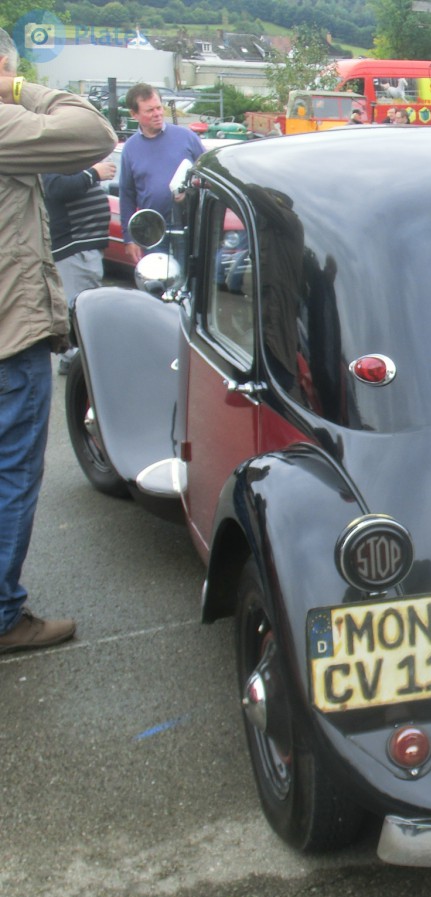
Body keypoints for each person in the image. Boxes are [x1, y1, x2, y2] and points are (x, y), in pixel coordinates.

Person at [0, 27, 117, 654]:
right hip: (6, 336)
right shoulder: (3, 121)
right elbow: (92, 131)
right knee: (13, 471)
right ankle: (2, 616)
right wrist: (17, 88)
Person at [41, 156, 117, 373]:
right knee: (80, 306)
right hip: (72, 246)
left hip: (80, 246)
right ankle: (77, 362)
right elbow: (54, 187)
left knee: (79, 304)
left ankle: (75, 357)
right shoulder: (51, 159)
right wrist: (93, 174)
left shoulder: (64, 156)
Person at [118, 83, 205, 265]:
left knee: (188, 281)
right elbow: (126, 194)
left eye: (159, 108)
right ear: (134, 114)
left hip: (188, 227)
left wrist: (190, 193)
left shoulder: (186, 138)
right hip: (152, 231)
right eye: (150, 110)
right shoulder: (130, 148)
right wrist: (129, 238)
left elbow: (209, 178)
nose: (157, 114)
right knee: (157, 285)